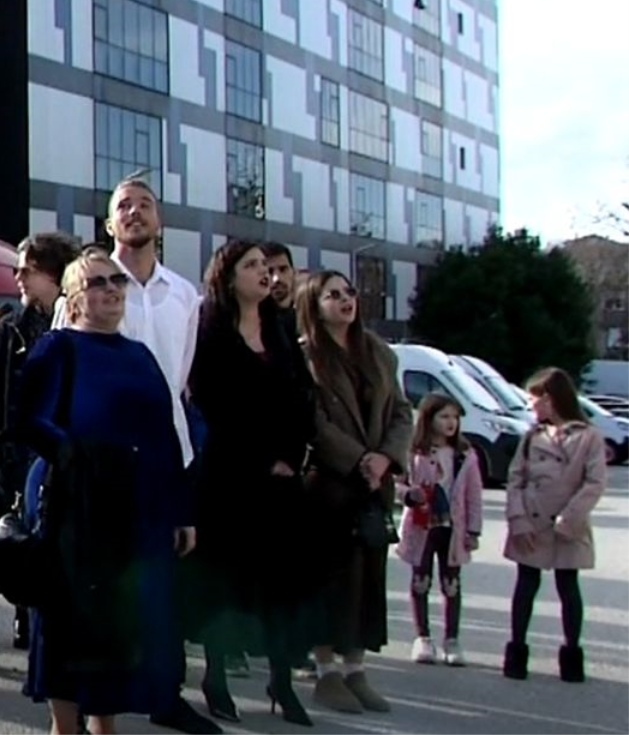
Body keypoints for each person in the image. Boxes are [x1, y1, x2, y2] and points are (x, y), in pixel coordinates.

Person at [11, 248, 194, 735]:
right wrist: (79, 455)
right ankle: (64, 727)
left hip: (135, 511)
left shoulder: (140, 356)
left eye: (117, 281)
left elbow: (165, 436)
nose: (112, 289)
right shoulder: (57, 348)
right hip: (77, 508)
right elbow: (28, 420)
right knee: (70, 623)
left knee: (117, 625)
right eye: (97, 282)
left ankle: (104, 726)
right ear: (73, 299)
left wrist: (179, 510)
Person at [92, 177, 215, 735]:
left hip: (164, 458)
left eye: (145, 204)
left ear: (159, 221)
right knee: (102, 584)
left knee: (163, 584)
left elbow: (179, 383)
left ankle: (167, 696)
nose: (135, 212)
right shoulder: (89, 284)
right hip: (103, 460)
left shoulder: (184, 296)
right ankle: (97, 707)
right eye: (124, 206)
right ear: (109, 223)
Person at [184, 241, 317, 727]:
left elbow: (303, 397)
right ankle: (216, 677)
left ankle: (281, 680)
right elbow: (211, 404)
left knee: (281, 584)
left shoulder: (280, 328)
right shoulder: (209, 331)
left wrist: (291, 455)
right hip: (228, 478)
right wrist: (260, 457)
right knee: (225, 584)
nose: (266, 273)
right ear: (228, 275)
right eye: (252, 265)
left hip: (280, 481)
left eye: (267, 266)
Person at [294, 271, 409, 716]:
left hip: (374, 484)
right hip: (329, 482)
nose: (345, 300)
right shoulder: (306, 356)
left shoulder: (379, 353)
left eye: (349, 293)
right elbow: (312, 421)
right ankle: (327, 672)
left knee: (367, 579)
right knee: (328, 579)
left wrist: (385, 458)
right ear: (314, 304)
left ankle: (356, 668)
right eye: (333, 295)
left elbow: (402, 412)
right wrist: (359, 457)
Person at [0, 231, 80, 652]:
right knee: (27, 538)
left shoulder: (77, 325)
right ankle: (27, 615)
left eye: (29, 269)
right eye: (17, 269)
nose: (18, 277)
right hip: (22, 455)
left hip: (69, 451)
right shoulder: (11, 330)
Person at [502, 367, 609, 683]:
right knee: (525, 585)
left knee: (568, 587)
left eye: (533, 399)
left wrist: (570, 517)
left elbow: (594, 482)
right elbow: (515, 480)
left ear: (549, 399)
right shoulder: (532, 437)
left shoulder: (588, 436)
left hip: (568, 523)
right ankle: (516, 653)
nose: (529, 405)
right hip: (532, 521)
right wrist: (519, 520)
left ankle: (572, 656)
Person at [396, 394, 483, 669]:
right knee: (420, 580)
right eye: (444, 416)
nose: (450, 423)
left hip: (453, 527)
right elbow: (396, 483)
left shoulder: (465, 455)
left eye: (454, 417)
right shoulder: (413, 451)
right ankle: (423, 637)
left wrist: (473, 530)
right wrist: (409, 494)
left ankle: (452, 639)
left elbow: (474, 494)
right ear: (428, 418)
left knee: (451, 582)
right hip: (421, 526)